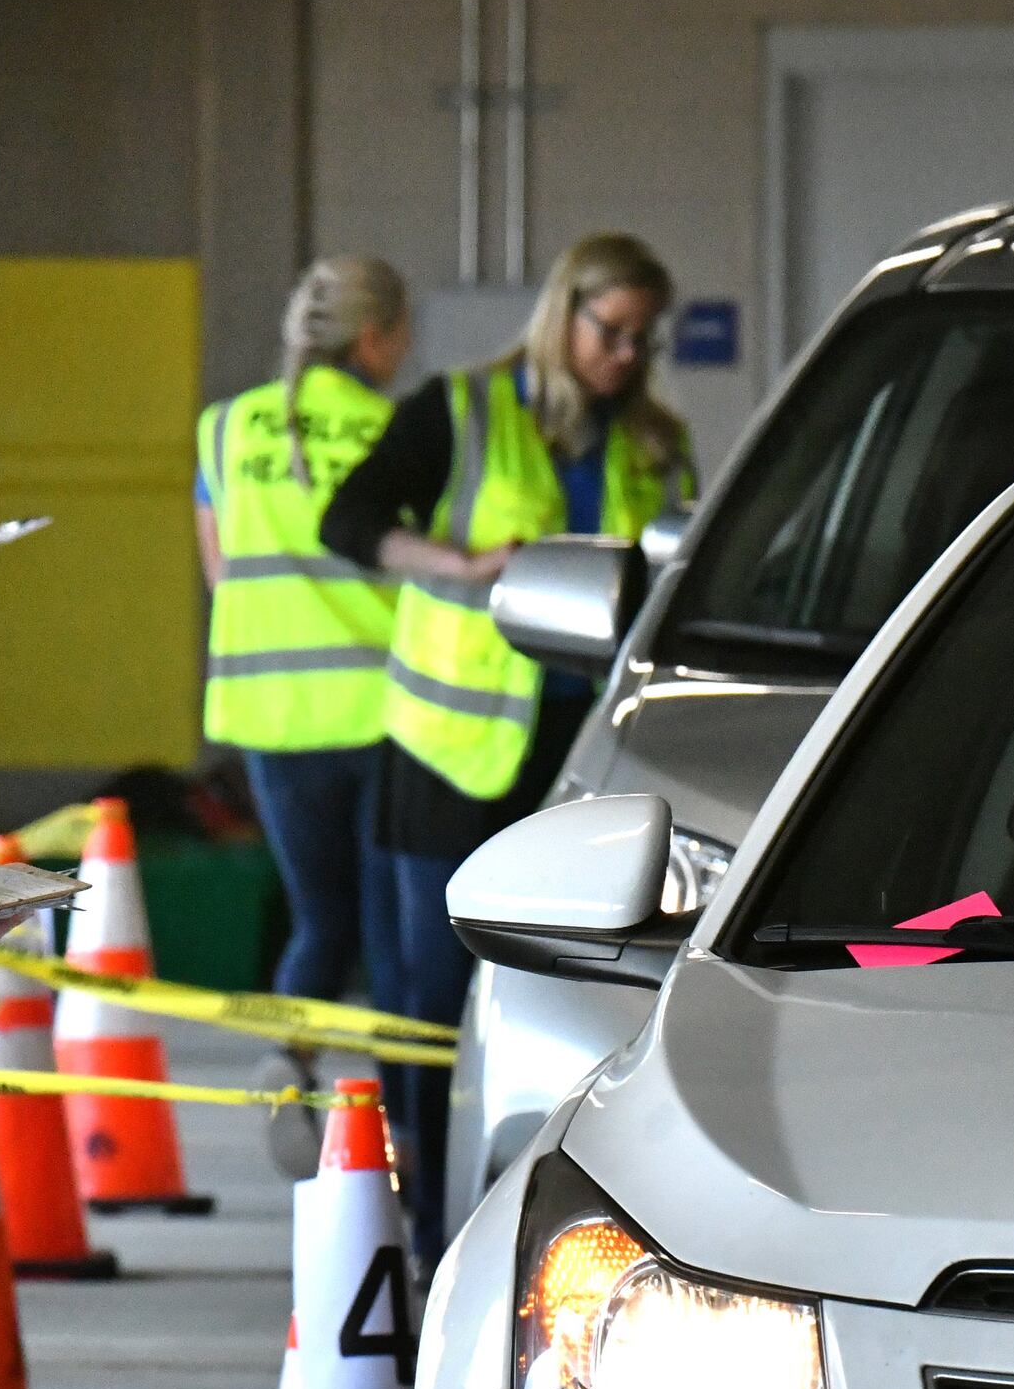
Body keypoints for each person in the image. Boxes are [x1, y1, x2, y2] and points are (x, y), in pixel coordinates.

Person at [320, 233, 696, 1249]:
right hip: (448, 753)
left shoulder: (655, 439)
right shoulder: (466, 409)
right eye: (608, 329)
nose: (624, 354)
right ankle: (426, 1230)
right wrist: (462, 563)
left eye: (642, 338)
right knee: (428, 1007)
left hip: (583, 762)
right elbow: (349, 522)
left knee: (566, 1014)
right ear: (562, 311)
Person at [197, 257, 411, 1053]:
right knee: (391, 934)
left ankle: (291, 1093)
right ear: (379, 337)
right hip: (385, 715)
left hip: (272, 721)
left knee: (319, 924)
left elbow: (222, 573)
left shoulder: (223, 429)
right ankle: (403, 1127)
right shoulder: (396, 430)